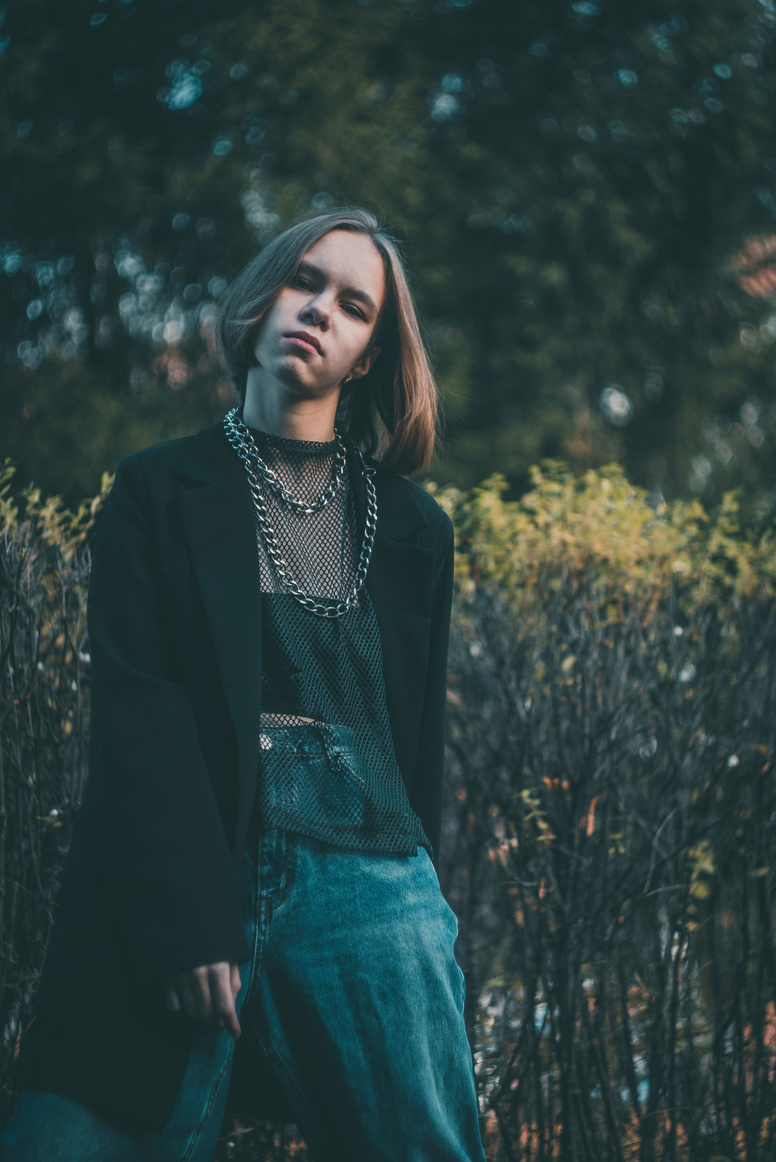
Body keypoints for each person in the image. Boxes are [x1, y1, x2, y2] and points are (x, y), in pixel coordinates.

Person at [0, 208, 486, 1161]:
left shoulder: (416, 529)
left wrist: (414, 917)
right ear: (265, 297)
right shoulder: (154, 491)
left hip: (369, 879)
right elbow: (139, 713)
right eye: (306, 281)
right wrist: (184, 915)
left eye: (354, 307)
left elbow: (411, 748)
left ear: (368, 357)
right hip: (192, 858)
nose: (320, 311)